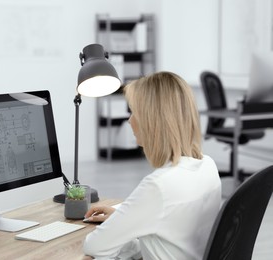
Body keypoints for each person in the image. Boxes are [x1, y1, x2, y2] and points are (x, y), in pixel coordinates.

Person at [83, 72, 222, 260]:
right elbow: (174, 232)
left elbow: (94, 246)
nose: (130, 120)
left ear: (152, 120)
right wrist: (124, 221)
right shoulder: (208, 166)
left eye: (134, 112)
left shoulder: (158, 186)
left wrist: (120, 226)